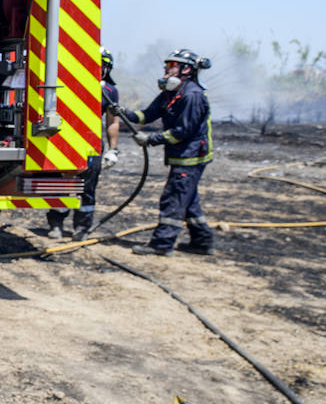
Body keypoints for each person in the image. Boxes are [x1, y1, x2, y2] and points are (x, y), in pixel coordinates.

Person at [123, 49, 214, 256]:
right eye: (167, 65)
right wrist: (124, 112)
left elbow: (182, 131)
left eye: (172, 65)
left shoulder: (193, 95)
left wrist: (150, 140)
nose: (166, 68)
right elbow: (146, 115)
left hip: (191, 156)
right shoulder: (170, 93)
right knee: (188, 199)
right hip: (181, 155)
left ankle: (162, 245)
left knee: (173, 198)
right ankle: (202, 242)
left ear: (186, 69)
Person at [45, 47, 121, 242]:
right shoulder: (67, 83)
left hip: (91, 146)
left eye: (102, 64)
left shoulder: (109, 91)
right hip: (64, 142)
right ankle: (56, 224)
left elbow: (113, 122)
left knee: (87, 189)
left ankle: (82, 227)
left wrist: (113, 150)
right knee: (60, 185)